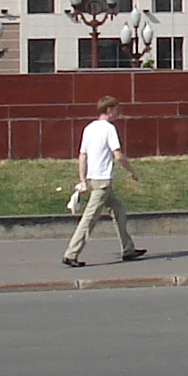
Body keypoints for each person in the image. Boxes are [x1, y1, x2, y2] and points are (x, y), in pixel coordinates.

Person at [62, 95, 145, 264]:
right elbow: (118, 155)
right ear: (109, 110)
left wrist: (83, 179)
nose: (118, 113)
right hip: (103, 181)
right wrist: (132, 171)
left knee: (118, 212)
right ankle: (71, 254)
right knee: (89, 218)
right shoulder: (109, 128)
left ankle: (128, 249)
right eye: (116, 110)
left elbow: (82, 156)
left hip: (95, 179)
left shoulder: (89, 128)